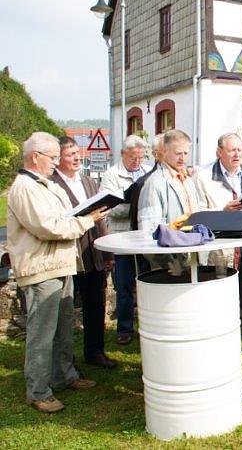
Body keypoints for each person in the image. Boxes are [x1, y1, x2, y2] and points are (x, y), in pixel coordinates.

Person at [7, 132, 108, 413]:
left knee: (64, 327)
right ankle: (38, 390)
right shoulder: (25, 187)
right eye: (51, 158)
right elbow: (48, 227)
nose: (55, 163)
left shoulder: (45, 185)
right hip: (41, 270)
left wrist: (85, 215)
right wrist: (87, 221)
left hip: (61, 264)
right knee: (42, 332)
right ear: (34, 157)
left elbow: (66, 214)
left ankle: (64, 375)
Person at [197, 133, 242, 356]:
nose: (237, 154)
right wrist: (223, 211)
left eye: (240, 149)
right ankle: (220, 339)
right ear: (219, 152)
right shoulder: (204, 176)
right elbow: (198, 212)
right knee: (221, 295)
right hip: (222, 245)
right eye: (232, 150)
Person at [50, 136, 115, 369]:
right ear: (58, 160)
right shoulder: (53, 184)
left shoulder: (88, 182)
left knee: (96, 303)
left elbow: (100, 220)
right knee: (65, 308)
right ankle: (65, 361)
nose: (77, 158)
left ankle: (95, 351)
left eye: (78, 153)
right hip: (69, 253)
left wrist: (107, 254)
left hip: (93, 250)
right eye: (70, 155)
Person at [99, 134, 152, 345]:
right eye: (132, 158)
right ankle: (125, 328)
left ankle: (148, 323)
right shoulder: (111, 175)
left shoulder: (148, 171)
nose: (137, 162)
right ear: (123, 154)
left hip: (144, 236)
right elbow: (109, 208)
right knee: (124, 284)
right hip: (122, 238)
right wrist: (136, 205)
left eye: (140, 157)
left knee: (148, 280)